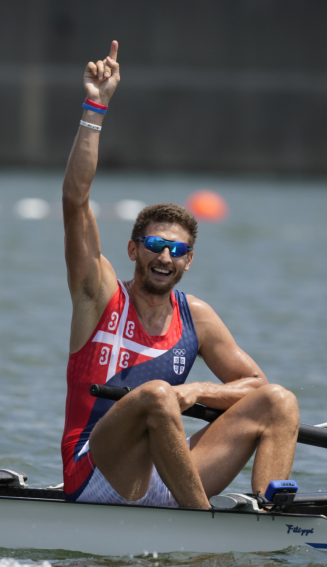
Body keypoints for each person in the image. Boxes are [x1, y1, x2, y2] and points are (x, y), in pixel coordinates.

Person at [60, 41, 299, 509]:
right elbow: (75, 201)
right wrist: (96, 106)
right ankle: (203, 527)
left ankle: (270, 519)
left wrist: (196, 391)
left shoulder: (197, 318)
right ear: (133, 250)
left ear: (188, 261)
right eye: (153, 245)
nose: (164, 257)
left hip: (166, 471)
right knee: (154, 395)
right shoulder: (98, 293)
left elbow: (253, 383)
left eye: (176, 250)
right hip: (96, 470)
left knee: (279, 402)